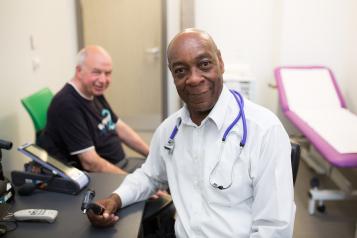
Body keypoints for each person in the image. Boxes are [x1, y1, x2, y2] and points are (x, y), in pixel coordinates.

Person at [87, 29, 296, 237]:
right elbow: (150, 176)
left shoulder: (265, 131)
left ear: (220, 63)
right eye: (181, 70)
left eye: (204, 64)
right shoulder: (170, 131)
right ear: (172, 75)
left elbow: (274, 229)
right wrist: (115, 199)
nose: (194, 79)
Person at [39, 45, 149, 174]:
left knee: (167, 169)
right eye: (96, 72)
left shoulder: (93, 90)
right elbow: (90, 163)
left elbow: (119, 126)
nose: (103, 80)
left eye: (108, 73)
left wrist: (153, 154)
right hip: (105, 176)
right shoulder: (66, 104)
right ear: (79, 71)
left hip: (122, 165)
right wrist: (135, 184)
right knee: (167, 180)